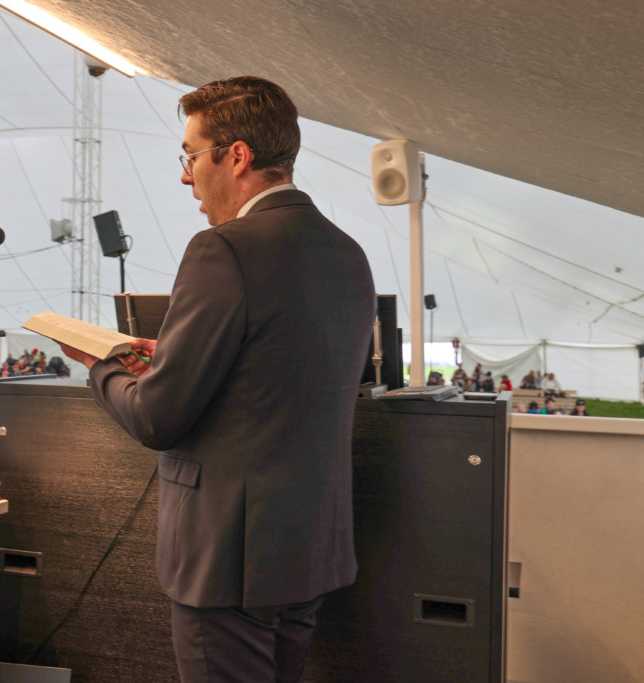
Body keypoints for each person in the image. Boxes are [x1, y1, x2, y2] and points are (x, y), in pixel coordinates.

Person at [56, 77, 375, 683]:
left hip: (229, 558)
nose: (186, 177)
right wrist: (178, 355)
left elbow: (156, 419)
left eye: (192, 156)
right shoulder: (348, 253)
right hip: (310, 549)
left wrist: (99, 364)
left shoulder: (221, 249)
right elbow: (284, 373)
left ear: (237, 156)